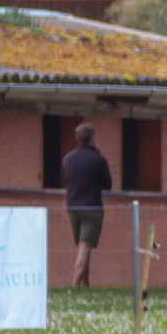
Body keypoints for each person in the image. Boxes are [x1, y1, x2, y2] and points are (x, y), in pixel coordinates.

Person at [62, 123, 113, 288]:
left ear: (77, 138)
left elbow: (66, 180)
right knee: (85, 248)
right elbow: (107, 184)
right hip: (92, 207)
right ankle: (75, 285)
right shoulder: (98, 160)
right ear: (93, 138)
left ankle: (86, 285)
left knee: (83, 247)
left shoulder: (68, 159)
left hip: (72, 207)